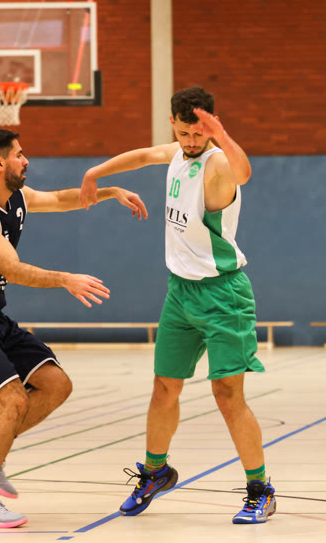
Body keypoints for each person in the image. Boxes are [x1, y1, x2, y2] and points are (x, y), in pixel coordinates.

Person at [0, 128, 147, 528]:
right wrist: (65, 279)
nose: (26, 161)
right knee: (15, 402)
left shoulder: (17, 198)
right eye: (19, 154)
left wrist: (111, 191)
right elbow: (11, 269)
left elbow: (62, 199)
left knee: (56, 384)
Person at [79, 86, 275, 524]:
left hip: (223, 295)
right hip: (180, 293)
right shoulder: (177, 153)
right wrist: (95, 171)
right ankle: (155, 472)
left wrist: (219, 134)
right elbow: (143, 156)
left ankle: (260, 490)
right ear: (173, 124)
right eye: (184, 133)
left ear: (211, 126)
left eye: (198, 133)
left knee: (228, 396)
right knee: (164, 387)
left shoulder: (218, 161)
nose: (190, 141)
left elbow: (244, 173)